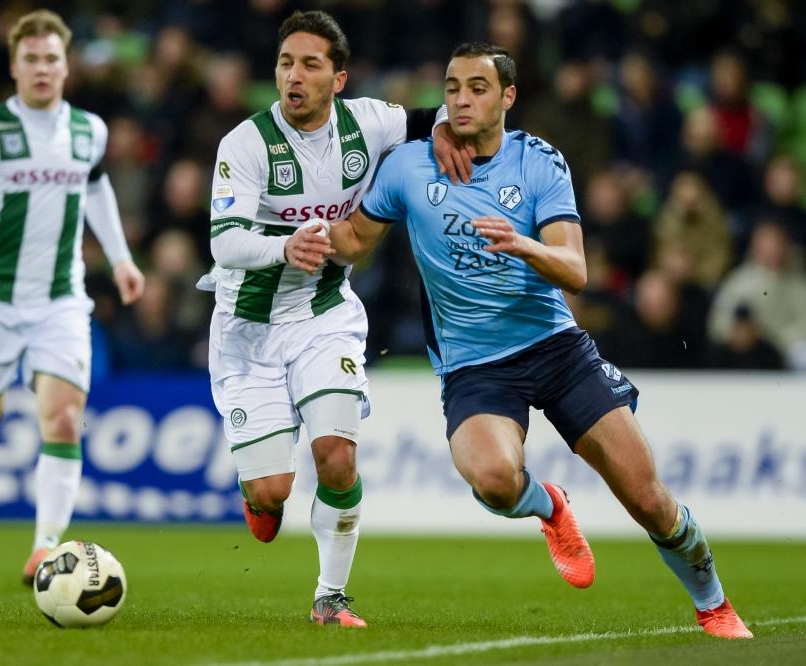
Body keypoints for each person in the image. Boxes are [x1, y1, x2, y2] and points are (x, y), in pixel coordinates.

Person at [327, 42, 752, 639]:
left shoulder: (538, 163)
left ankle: (714, 604)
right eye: (452, 88)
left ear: (508, 96)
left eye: (477, 87)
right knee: (495, 480)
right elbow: (351, 241)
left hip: (555, 349)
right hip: (475, 366)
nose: (461, 99)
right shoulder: (407, 166)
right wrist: (290, 236)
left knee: (649, 499)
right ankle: (550, 506)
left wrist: (525, 246)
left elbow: (575, 270)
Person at [199, 9, 470, 628]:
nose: (293, 76)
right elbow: (224, 241)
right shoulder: (245, 144)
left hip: (324, 315)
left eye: (309, 65)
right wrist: (285, 245)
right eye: (285, 63)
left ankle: (331, 597)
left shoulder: (370, 123)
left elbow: (433, 119)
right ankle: (261, 499)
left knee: (337, 457)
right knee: (271, 495)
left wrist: (454, 132)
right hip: (247, 330)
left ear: (338, 79)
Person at [0, 9, 144, 584]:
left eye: (52, 59)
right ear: (14, 68)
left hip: (61, 300)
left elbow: (96, 188)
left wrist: (119, 259)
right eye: (31, 60)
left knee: (64, 419)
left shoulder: (89, 129)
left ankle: (45, 548)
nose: (42, 69)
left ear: (66, 67)